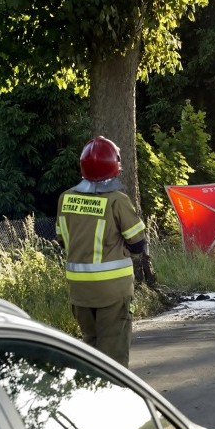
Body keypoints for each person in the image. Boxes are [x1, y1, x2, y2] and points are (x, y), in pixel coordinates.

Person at [56, 136, 147, 367]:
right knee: (113, 356)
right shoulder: (117, 200)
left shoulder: (65, 199)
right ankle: (113, 400)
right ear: (114, 165)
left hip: (80, 292)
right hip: (113, 292)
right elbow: (138, 243)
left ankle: (91, 396)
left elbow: (62, 240)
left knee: (91, 351)